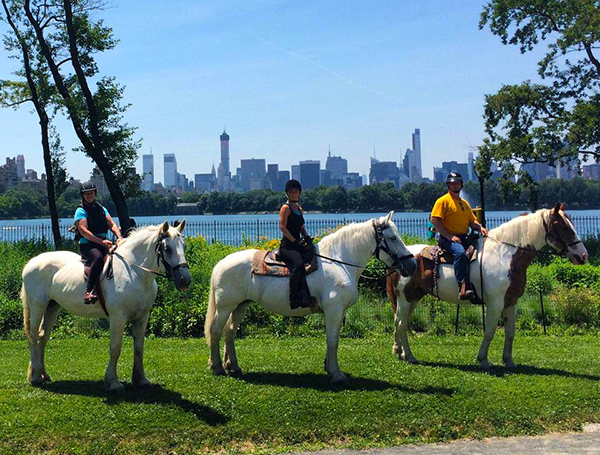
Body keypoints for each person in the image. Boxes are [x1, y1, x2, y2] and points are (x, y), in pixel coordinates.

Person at [430, 172, 488, 300]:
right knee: (460, 254)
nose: (455, 185)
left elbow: (472, 221)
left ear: (461, 184)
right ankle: (463, 287)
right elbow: (435, 220)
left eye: (457, 183)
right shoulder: (442, 201)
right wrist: (449, 236)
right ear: (448, 185)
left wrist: (480, 228)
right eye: (452, 183)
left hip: (464, 237)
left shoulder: (464, 203)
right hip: (447, 239)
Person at [75, 181, 123, 304]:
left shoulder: (102, 209)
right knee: (98, 257)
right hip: (87, 244)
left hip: (102, 242)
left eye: (91, 193)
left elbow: (111, 224)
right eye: (86, 194)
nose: (89, 196)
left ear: (95, 194)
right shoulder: (80, 211)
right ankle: (89, 291)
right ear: (83, 196)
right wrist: (101, 242)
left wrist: (119, 236)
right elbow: (84, 232)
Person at [279, 179, 314, 309]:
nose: (294, 194)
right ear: (287, 193)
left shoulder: (299, 209)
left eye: (296, 192)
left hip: (298, 243)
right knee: (299, 265)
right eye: (291, 192)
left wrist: (306, 237)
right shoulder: (285, 208)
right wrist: (294, 241)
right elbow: (282, 227)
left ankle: (307, 294)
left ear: (299, 193)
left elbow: (301, 227)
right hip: (288, 246)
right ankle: (293, 298)